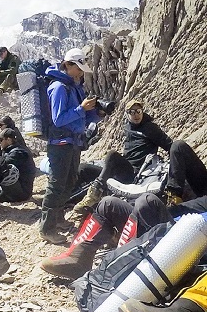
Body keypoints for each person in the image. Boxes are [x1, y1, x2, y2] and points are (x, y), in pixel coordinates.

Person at [40, 191, 207, 280]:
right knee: (109, 204)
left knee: (147, 202)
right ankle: (78, 260)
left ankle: (116, 267)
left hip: (190, 246)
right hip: (173, 229)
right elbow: (182, 209)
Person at [38, 48, 101, 244]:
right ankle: (46, 228)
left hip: (72, 142)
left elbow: (80, 117)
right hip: (60, 144)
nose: (81, 72)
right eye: (79, 68)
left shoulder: (73, 87)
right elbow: (58, 119)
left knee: (70, 181)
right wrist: (81, 108)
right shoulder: (58, 87)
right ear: (68, 65)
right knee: (57, 184)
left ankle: (58, 219)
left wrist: (97, 113)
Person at [72, 98, 173, 215]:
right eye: (132, 112)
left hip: (134, 173)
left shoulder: (150, 128)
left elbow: (170, 146)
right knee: (83, 168)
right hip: (120, 170)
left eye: (138, 111)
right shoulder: (127, 127)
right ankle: (67, 201)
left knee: (112, 155)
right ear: (127, 114)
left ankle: (95, 192)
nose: (136, 115)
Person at [0, 127, 36, 203]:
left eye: (1, 140)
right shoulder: (14, 149)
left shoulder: (18, 153)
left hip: (22, 193)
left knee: (5, 171)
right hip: (19, 187)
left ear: (8, 140)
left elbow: (1, 165)